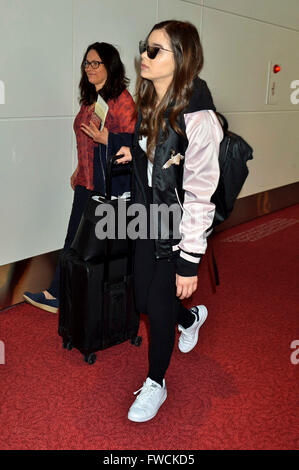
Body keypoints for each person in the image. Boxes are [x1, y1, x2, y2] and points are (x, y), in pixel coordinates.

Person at [116, 20, 223, 422]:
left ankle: (156, 383)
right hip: (148, 219)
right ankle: (191, 317)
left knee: (157, 308)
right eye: (145, 47)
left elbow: (199, 194)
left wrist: (189, 260)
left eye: (155, 50)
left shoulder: (199, 120)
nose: (144, 55)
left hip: (177, 230)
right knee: (143, 300)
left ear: (181, 58)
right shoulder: (151, 104)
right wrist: (137, 156)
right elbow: (159, 160)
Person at [23, 42, 136, 313]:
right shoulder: (91, 100)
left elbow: (136, 143)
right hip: (86, 182)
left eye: (96, 63)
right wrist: (79, 168)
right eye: (87, 63)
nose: (89, 68)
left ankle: (92, 298)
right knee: (74, 241)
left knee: (101, 247)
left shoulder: (121, 100)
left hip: (107, 186)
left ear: (110, 65)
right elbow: (87, 140)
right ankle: (60, 294)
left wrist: (110, 138)